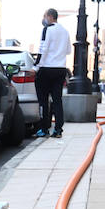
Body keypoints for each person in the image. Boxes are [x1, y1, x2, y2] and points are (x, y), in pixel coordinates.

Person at [33, 8, 70, 138]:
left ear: (49, 16)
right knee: (57, 100)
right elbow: (68, 50)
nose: (44, 19)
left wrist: (36, 66)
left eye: (44, 16)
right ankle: (58, 129)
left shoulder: (47, 30)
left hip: (46, 68)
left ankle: (44, 128)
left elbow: (43, 49)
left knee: (43, 100)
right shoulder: (65, 31)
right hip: (60, 69)